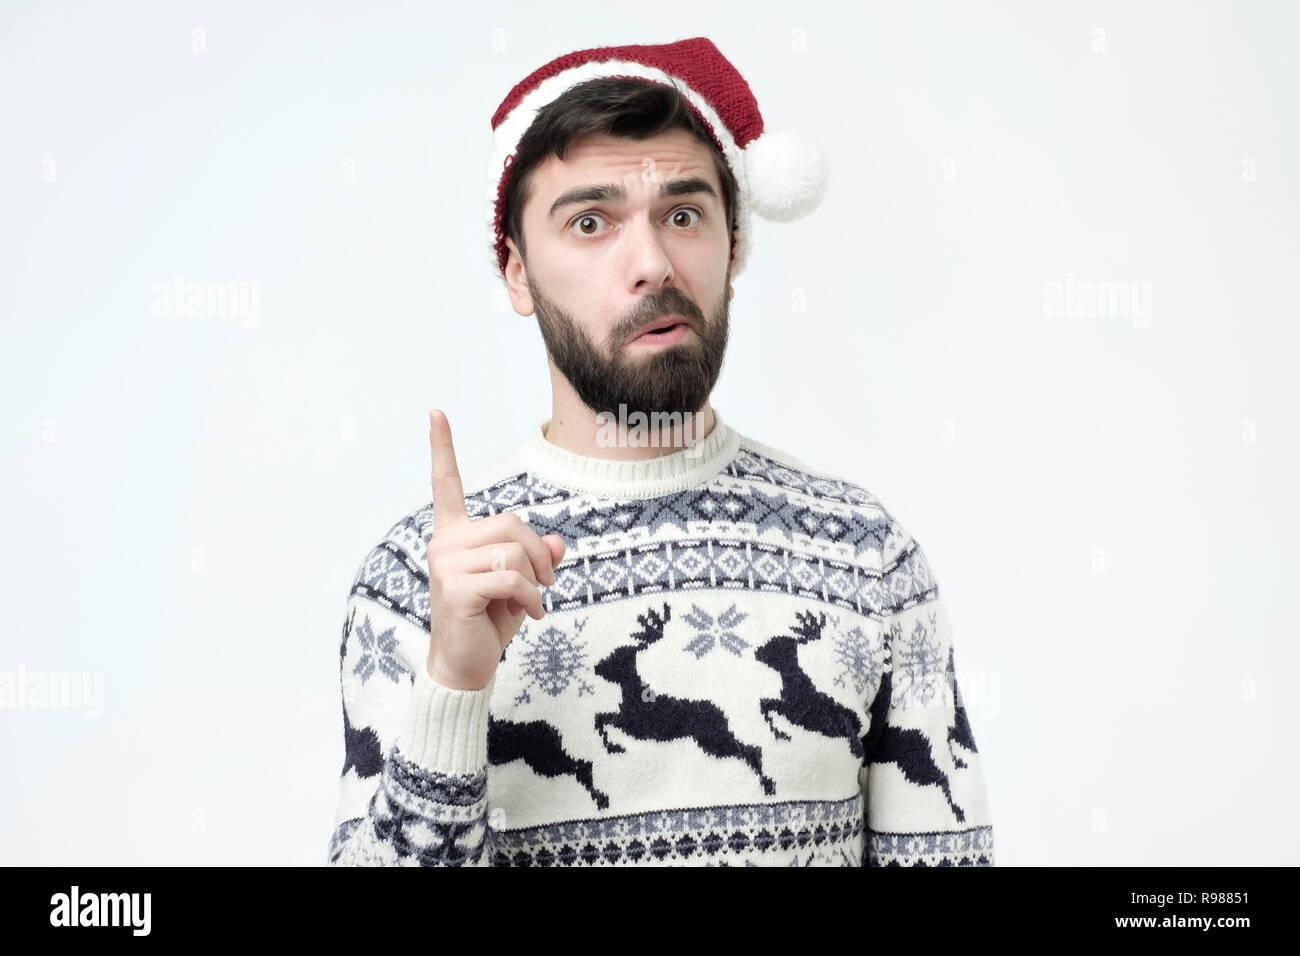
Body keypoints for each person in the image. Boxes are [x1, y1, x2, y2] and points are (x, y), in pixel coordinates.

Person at [326, 36, 994, 866]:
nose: (651, 264)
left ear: (733, 247)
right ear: (517, 273)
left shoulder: (871, 559)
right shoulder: (419, 585)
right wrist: (455, 686)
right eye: (590, 222)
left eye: (683, 214)